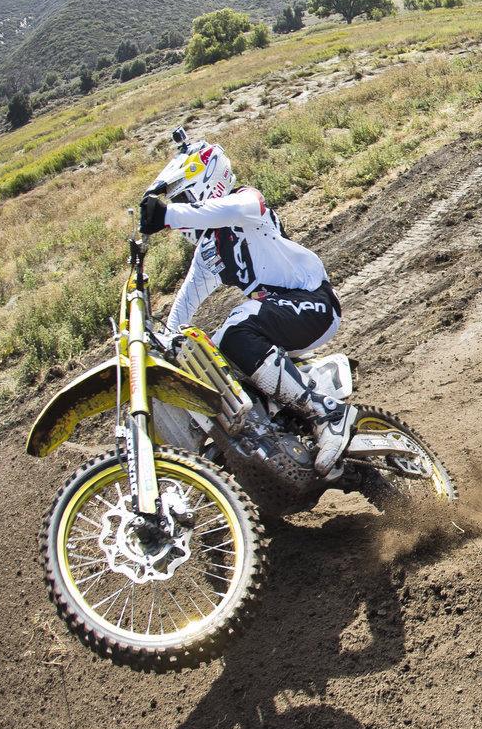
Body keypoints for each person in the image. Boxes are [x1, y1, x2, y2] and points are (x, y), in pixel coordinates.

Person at [139, 128, 356, 474]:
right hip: (283, 321)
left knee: (236, 327)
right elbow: (182, 310)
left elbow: (234, 209)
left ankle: (327, 412)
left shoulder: (247, 205)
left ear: (207, 184)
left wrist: (168, 215)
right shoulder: (209, 251)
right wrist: (160, 343)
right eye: (176, 204)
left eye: (184, 199)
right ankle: (271, 448)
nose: (179, 213)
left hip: (314, 305)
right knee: (213, 355)